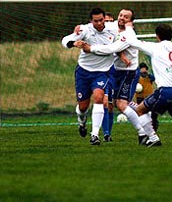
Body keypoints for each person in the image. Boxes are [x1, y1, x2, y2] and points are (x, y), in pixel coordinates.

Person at [79, 9, 148, 145]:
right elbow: (95, 25)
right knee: (109, 103)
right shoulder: (114, 26)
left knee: (121, 104)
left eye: (126, 17)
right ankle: (102, 134)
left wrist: (90, 48)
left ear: (131, 21)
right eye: (121, 15)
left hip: (128, 73)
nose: (122, 18)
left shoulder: (129, 34)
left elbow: (111, 49)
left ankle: (143, 133)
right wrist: (80, 28)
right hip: (113, 71)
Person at [129, 23, 172, 147]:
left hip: (166, 91)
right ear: (171, 35)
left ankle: (153, 138)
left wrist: (127, 28)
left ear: (157, 36)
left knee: (140, 110)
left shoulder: (155, 47)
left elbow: (134, 42)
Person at [61, 7, 117, 145]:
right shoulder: (85, 30)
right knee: (83, 107)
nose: (99, 23)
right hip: (84, 72)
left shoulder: (113, 29)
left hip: (102, 72)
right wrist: (74, 43)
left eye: (101, 20)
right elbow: (65, 40)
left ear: (105, 18)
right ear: (90, 21)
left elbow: (127, 29)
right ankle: (82, 122)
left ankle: (95, 135)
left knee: (99, 97)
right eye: (95, 21)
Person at [102, 13, 115, 142]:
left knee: (111, 105)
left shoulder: (115, 36)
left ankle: (108, 133)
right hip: (101, 73)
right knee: (103, 103)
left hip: (113, 73)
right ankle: (105, 132)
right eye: (107, 21)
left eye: (112, 21)